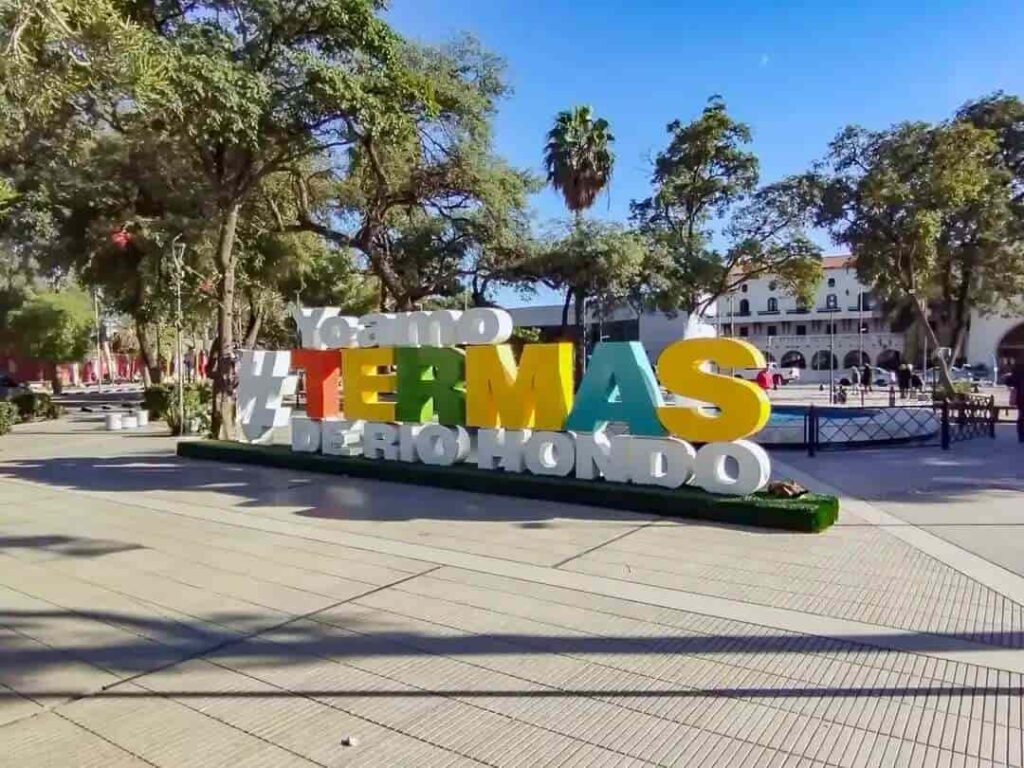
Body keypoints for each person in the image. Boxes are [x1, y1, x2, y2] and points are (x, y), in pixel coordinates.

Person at [1006, 357, 1024, 443]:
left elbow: (1009, 382)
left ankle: (1021, 436)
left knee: (1021, 417)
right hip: (1021, 396)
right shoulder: (1018, 369)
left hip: (1021, 397)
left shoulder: (1018, 369)